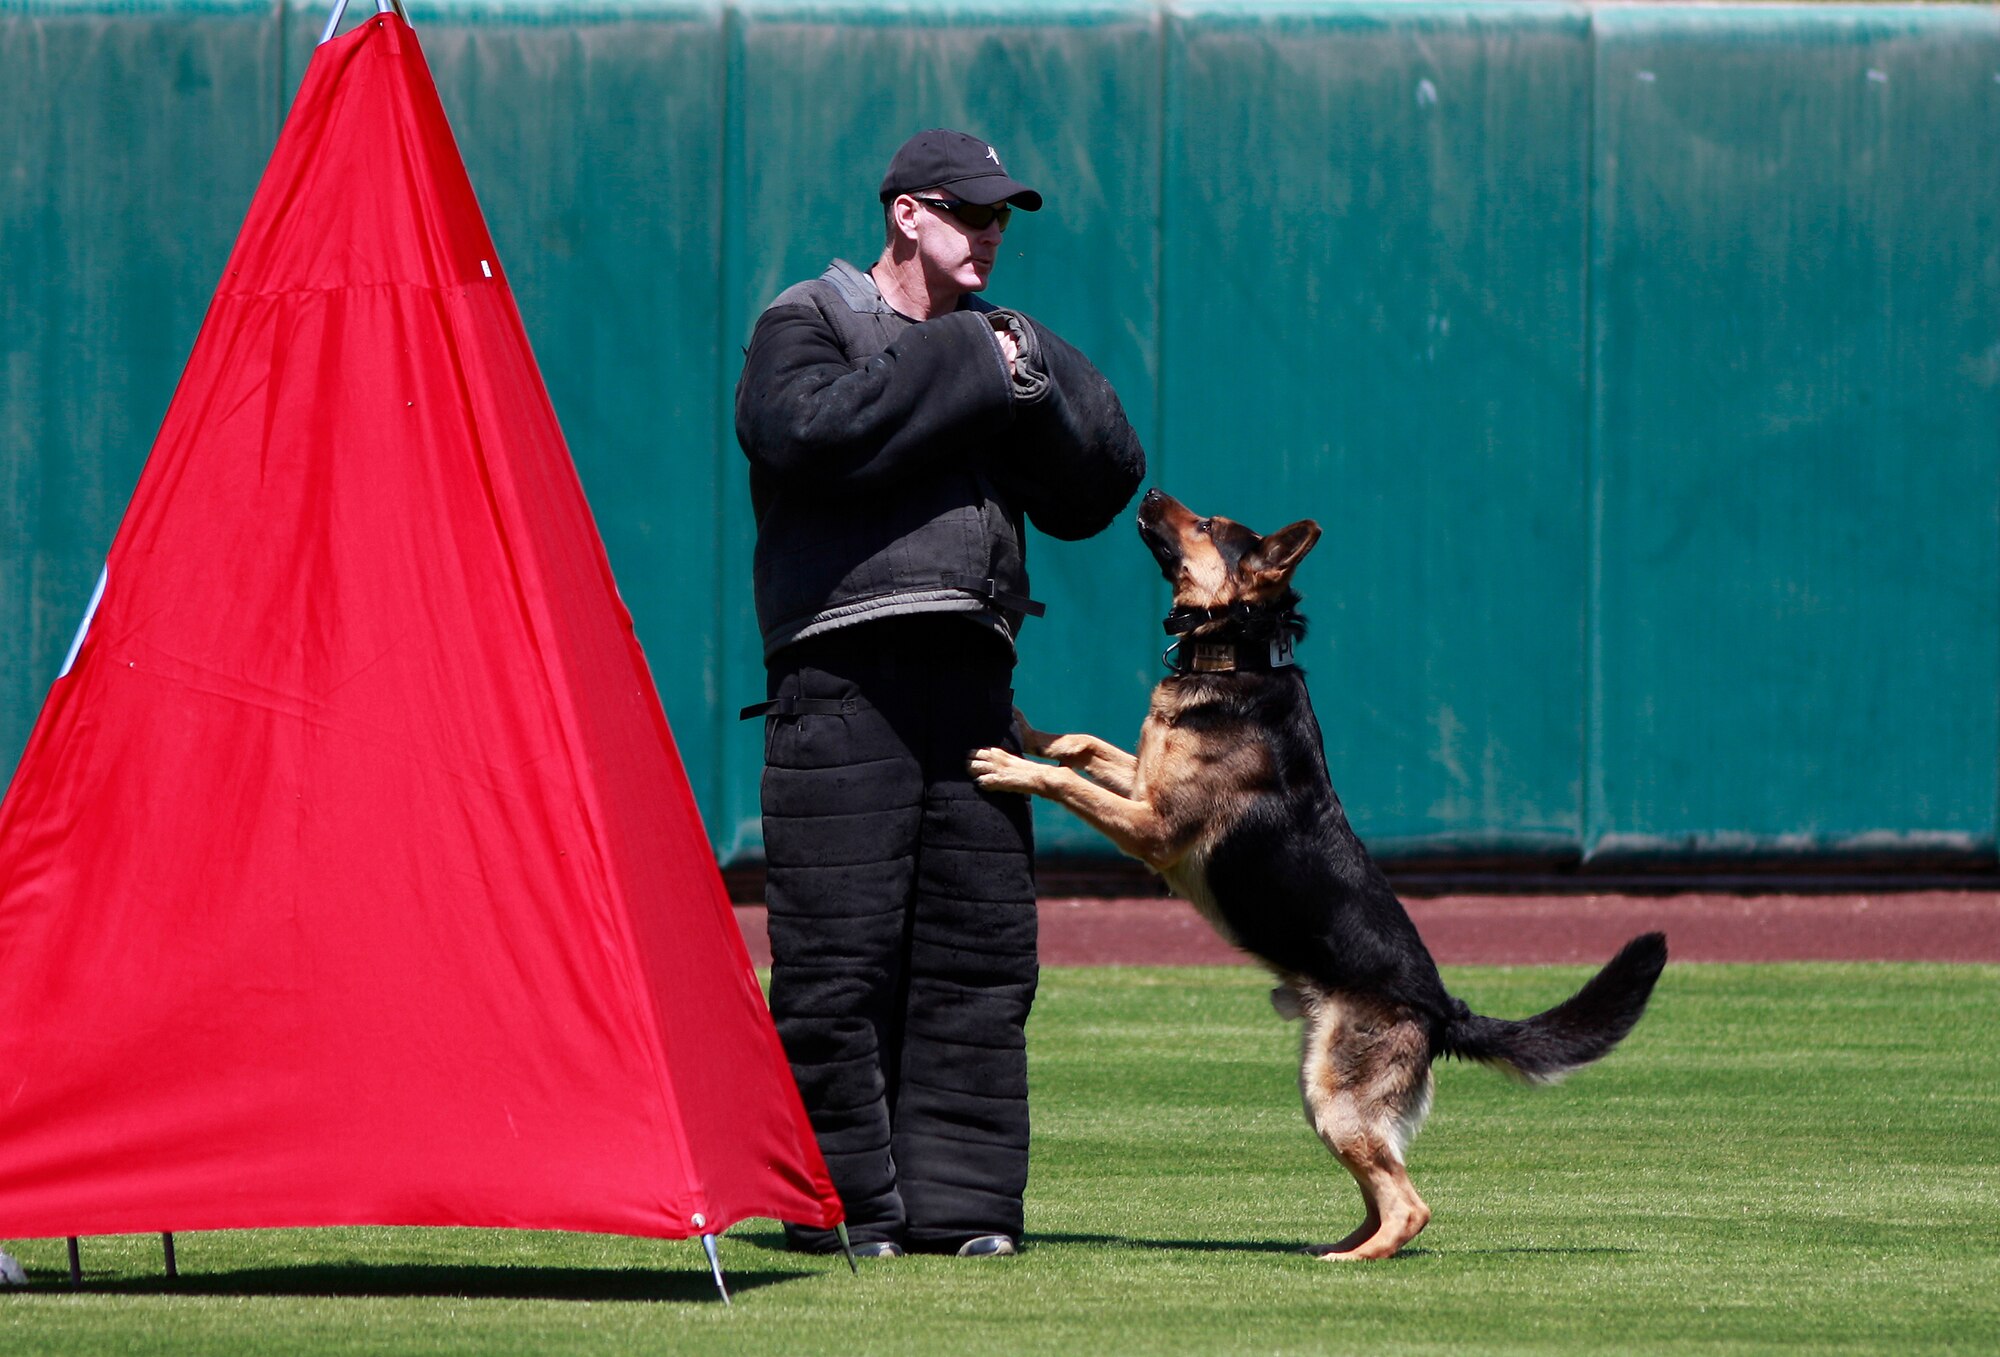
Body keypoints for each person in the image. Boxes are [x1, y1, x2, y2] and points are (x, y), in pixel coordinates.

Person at [734, 129, 1145, 1258]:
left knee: (977, 956)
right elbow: (802, 432)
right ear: (905, 216)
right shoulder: (806, 320)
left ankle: (962, 1214)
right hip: (839, 682)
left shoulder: (995, 348)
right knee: (836, 956)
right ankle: (840, 1211)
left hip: (971, 683)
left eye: (1001, 217)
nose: (989, 235)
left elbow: (1104, 476)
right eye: (968, 214)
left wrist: (1023, 362)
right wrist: (978, 363)